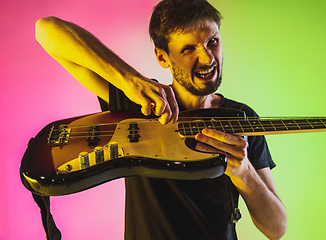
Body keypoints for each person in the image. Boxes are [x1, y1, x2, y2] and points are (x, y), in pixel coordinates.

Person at [35, 0, 287, 239]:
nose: (208, 58)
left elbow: (276, 229)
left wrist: (244, 172)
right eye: (188, 48)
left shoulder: (240, 118)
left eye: (213, 41)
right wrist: (129, 80)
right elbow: (46, 30)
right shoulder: (138, 103)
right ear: (162, 57)